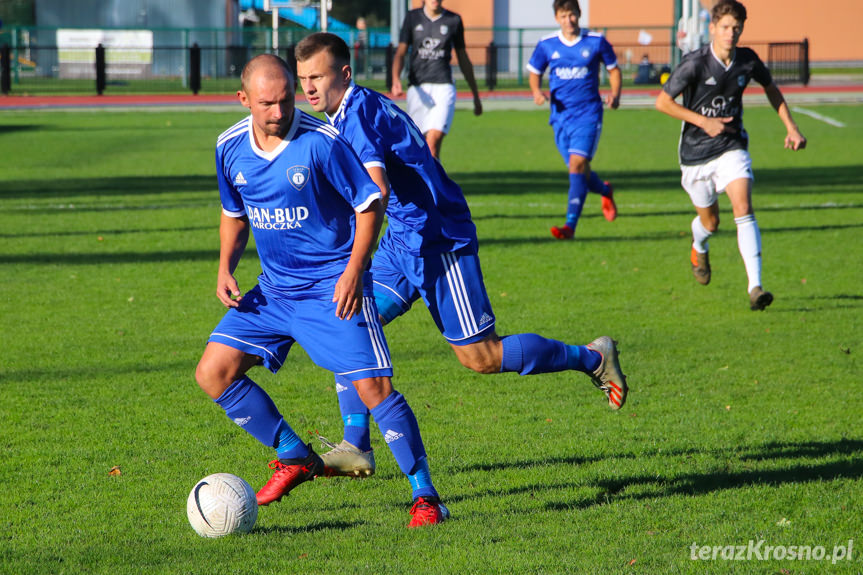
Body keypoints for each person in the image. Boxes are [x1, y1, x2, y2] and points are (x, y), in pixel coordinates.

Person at [295, 33, 628, 478]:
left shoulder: (356, 116)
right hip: (404, 239)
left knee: (481, 357)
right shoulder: (349, 109)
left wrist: (351, 256)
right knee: (349, 323)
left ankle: (593, 357)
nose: (309, 87)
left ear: (344, 73)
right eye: (303, 79)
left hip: (438, 239)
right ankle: (356, 444)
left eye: (317, 75)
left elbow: (375, 189)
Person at [194, 54, 448, 528]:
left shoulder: (321, 142)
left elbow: (370, 203)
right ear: (243, 99)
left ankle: (426, 495)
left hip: (332, 288)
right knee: (213, 373)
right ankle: (294, 455)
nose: (278, 112)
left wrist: (355, 270)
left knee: (374, 388)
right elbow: (234, 213)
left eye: (285, 100)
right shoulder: (229, 147)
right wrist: (225, 267)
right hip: (273, 292)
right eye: (266, 103)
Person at [655, 0, 806, 310]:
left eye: (736, 28)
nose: (731, 33)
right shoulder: (694, 63)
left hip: (731, 146)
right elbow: (662, 102)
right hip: (695, 153)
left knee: (744, 206)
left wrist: (791, 127)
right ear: (712, 28)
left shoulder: (747, 61)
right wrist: (702, 121)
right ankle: (698, 245)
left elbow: (771, 88)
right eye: (725, 27)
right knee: (710, 223)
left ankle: (755, 287)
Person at [528, 0, 621, 240]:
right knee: (578, 169)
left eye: (573, 15)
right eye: (564, 15)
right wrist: (537, 92)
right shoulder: (547, 44)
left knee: (576, 165)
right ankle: (604, 190)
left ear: (579, 15)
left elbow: (613, 69)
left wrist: (616, 94)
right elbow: (535, 72)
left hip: (588, 114)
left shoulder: (596, 41)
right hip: (560, 118)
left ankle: (569, 226)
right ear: (557, 18)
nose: (569, 20)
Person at [391, 0, 482, 159]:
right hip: (417, 88)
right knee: (421, 147)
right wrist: (395, 80)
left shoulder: (454, 20)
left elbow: (463, 57)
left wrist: (475, 94)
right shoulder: (412, 17)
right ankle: (431, 183)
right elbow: (400, 52)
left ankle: (432, 183)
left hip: (443, 86)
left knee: (432, 142)